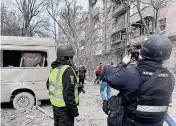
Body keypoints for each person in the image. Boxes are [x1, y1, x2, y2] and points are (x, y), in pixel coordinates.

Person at [100, 34, 175, 126]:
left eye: (140, 49)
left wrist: (123, 63)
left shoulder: (133, 74)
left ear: (146, 52)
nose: (138, 51)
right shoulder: (170, 77)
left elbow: (106, 74)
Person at [48, 43, 82, 126]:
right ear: (67, 57)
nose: (72, 59)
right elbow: (68, 94)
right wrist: (76, 113)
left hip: (56, 107)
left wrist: (77, 88)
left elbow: (50, 86)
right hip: (65, 110)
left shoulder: (54, 69)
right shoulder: (67, 70)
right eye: (71, 56)